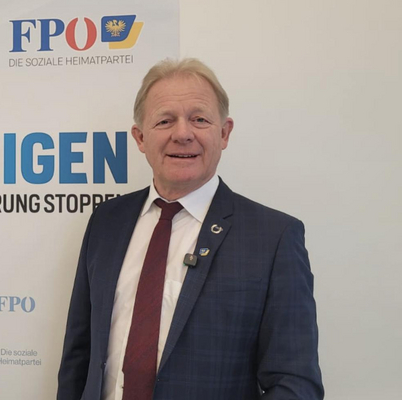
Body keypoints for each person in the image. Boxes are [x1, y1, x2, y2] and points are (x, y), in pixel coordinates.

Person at [57, 58, 323, 400]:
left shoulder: (274, 238)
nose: (182, 134)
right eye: (165, 120)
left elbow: (295, 383)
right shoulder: (106, 221)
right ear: (140, 137)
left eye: (199, 119)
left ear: (224, 133)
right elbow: (78, 357)